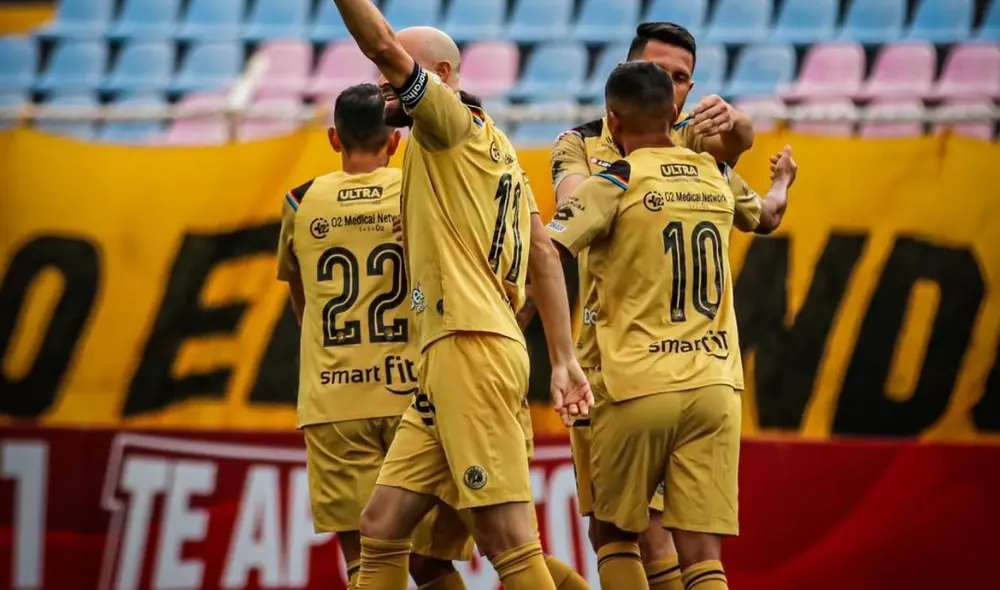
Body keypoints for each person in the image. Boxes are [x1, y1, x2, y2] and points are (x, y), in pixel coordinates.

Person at [328, 2, 593, 589]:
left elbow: (382, 45)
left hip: (467, 348)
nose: (382, 91)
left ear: (443, 76)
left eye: (391, 82)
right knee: (383, 524)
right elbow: (544, 254)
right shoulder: (499, 153)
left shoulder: (442, 122)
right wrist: (564, 359)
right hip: (461, 350)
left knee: (511, 545)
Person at [549, 22, 794, 590]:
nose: (675, 87)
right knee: (672, 536)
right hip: (685, 372)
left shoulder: (688, 151)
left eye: (684, 78)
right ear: (631, 70)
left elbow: (558, 235)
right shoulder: (582, 143)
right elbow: (573, 202)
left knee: (617, 530)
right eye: (663, 75)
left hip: (628, 371)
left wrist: (739, 128)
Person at [276, 83, 473, 590]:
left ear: (333, 138)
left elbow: (304, 301)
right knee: (432, 564)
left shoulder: (300, 201)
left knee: (365, 561)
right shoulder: (418, 189)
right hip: (416, 394)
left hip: (336, 400)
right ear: (396, 140)